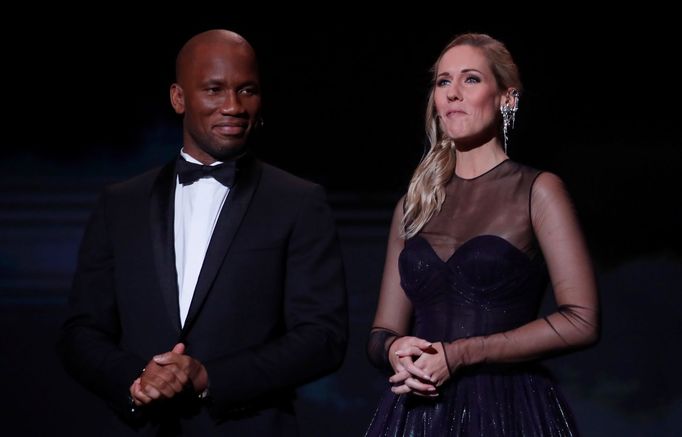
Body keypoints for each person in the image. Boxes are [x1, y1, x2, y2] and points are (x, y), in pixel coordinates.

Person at [58, 29, 348, 436]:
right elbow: (80, 333)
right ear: (179, 98)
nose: (233, 106)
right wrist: (139, 378)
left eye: (246, 90)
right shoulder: (120, 203)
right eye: (214, 89)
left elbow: (323, 338)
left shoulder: (298, 201)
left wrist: (209, 377)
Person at [365, 33, 599, 436]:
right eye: (443, 82)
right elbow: (380, 332)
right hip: (418, 413)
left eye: (470, 79)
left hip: (509, 411)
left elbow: (581, 320)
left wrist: (459, 354)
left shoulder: (537, 190)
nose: (452, 93)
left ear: (507, 98)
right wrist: (393, 350)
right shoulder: (413, 205)